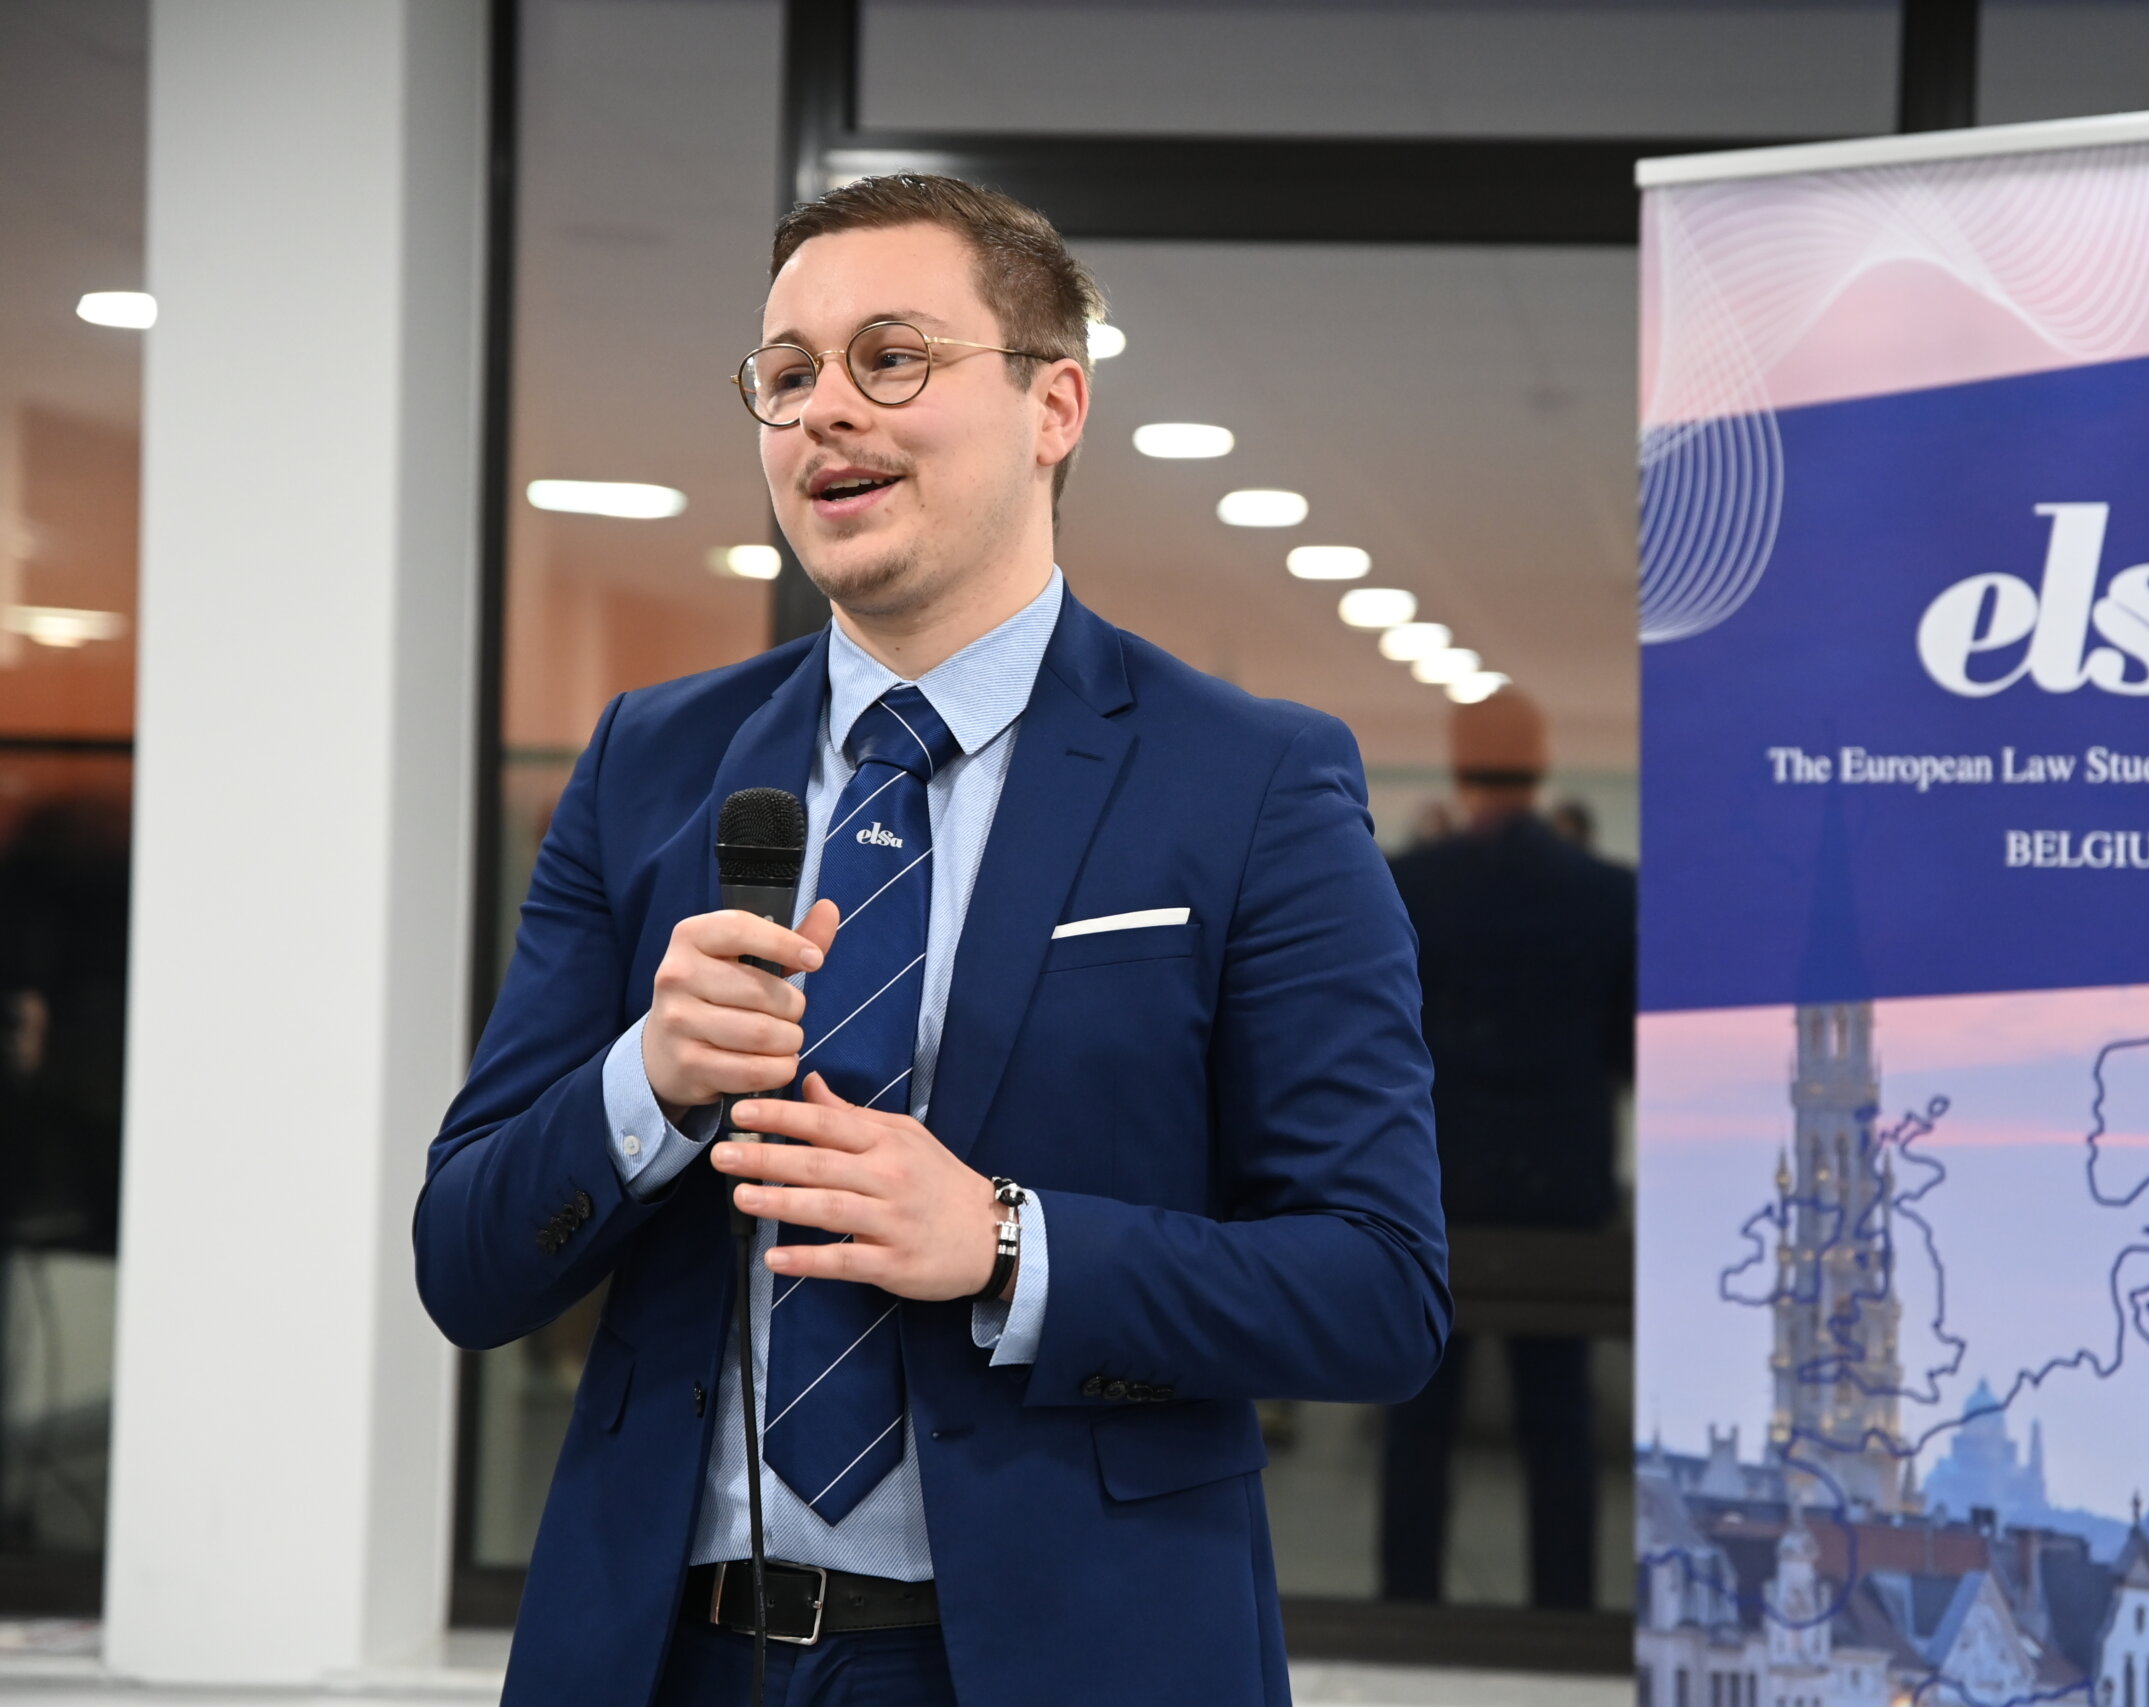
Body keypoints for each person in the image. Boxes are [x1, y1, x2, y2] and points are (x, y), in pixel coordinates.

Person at [414, 174, 1447, 1707]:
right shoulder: (650, 762)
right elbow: (465, 1262)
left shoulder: (1250, 781)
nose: (827, 408)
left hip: (1065, 1659)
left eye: (892, 357)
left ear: (1055, 406)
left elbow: (1377, 1288)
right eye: (788, 374)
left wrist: (1007, 1242)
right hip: (663, 1656)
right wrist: (648, 1081)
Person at [1376, 688, 1633, 1611]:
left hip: (1427, 1189)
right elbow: (1626, 1050)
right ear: (1541, 762)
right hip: (1558, 1195)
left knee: (1417, 1418)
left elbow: (1371, 1042)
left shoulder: (1405, 887)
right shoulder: (1608, 895)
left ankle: (1408, 1612)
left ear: (1459, 764)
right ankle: (1563, 1615)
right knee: (1558, 1420)